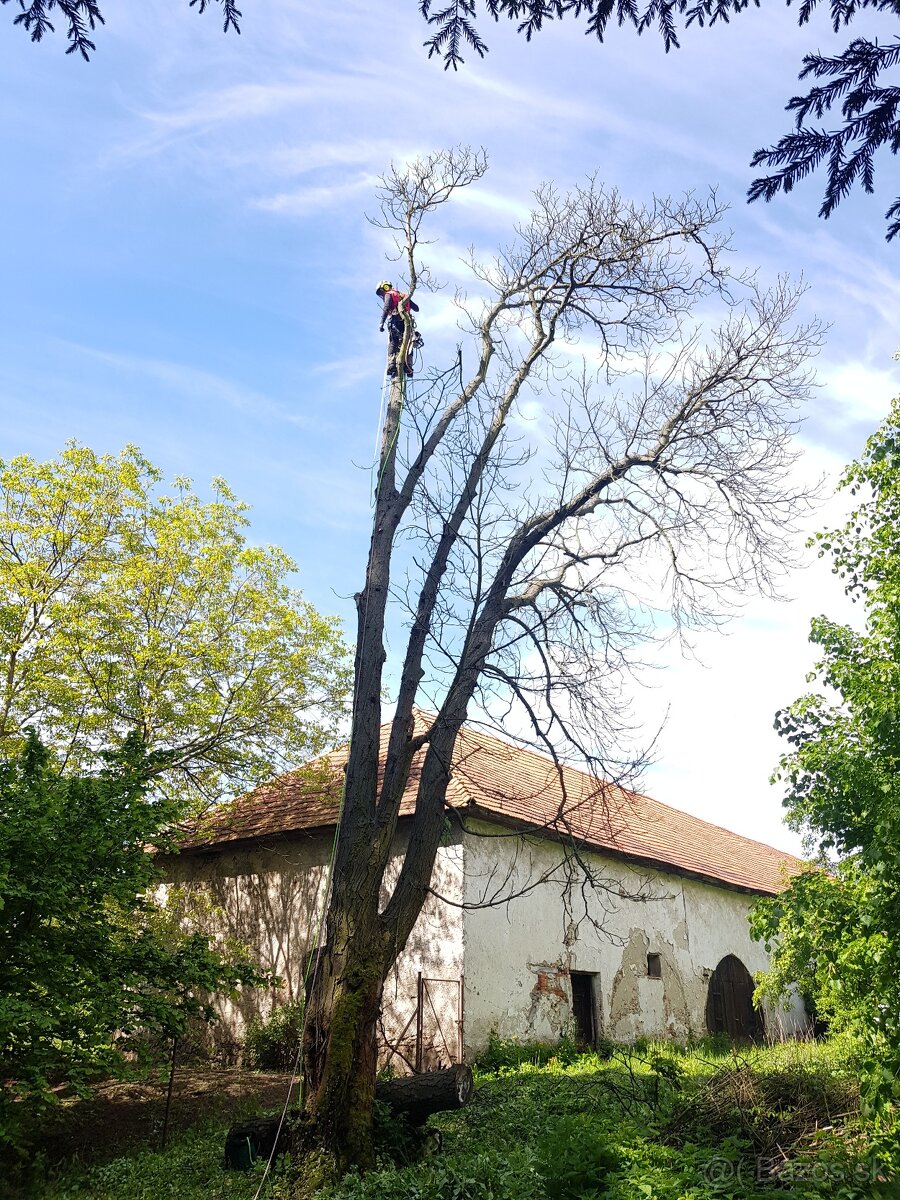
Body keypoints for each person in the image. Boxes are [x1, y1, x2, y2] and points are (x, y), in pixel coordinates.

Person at [376, 281, 420, 378]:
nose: (382, 295)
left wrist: (381, 322)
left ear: (385, 288)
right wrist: (406, 302)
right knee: (408, 344)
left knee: (393, 343)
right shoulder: (403, 295)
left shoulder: (389, 294)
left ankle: (392, 365)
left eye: (381, 292)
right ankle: (408, 366)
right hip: (407, 323)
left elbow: (386, 307)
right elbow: (416, 308)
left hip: (395, 321)